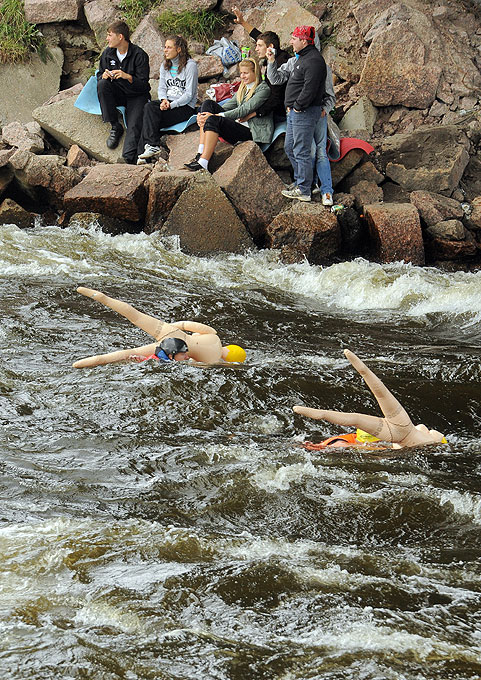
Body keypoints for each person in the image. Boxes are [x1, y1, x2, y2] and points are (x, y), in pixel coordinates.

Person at [293, 349, 446, 449]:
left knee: (371, 403)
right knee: (377, 395)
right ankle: (361, 370)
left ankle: (322, 413)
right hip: (404, 431)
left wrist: (323, 447)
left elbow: (354, 443)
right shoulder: (426, 435)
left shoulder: (379, 444)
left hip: (400, 431)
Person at [72, 287, 247, 367]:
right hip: (177, 347)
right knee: (125, 355)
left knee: (135, 315)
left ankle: (101, 296)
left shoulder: (214, 335)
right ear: (229, 360)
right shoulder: (214, 361)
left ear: (230, 347)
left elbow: (187, 324)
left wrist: (170, 327)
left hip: (173, 332)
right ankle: (84, 363)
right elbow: (191, 361)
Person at [266, 26, 327, 202]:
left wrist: (298, 106)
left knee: (301, 150)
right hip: (295, 113)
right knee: (290, 147)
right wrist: (271, 61)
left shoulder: (314, 60)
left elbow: (310, 88)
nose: (291, 41)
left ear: (304, 40)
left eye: (294, 38)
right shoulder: (301, 59)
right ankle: (304, 183)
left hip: (304, 112)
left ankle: (305, 190)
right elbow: (276, 79)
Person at [184, 57, 273, 172]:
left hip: (251, 132)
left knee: (213, 119)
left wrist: (216, 116)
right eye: (241, 73)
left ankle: (204, 163)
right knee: (207, 104)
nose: (242, 76)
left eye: (246, 73)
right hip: (238, 124)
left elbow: (244, 110)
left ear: (254, 72)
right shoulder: (243, 87)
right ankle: (200, 153)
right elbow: (229, 105)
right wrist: (210, 114)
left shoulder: (263, 89)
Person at [137, 35, 198, 165]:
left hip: (185, 107)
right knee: (149, 112)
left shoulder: (190, 66)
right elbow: (162, 87)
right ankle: (145, 154)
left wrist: (171, 105)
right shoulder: (165, 65)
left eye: (169, 47)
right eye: (165, 47)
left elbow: (189, 94)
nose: (165, 50)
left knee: (149, 114)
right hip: (168, 103)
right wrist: (163, 100)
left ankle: (148, 149)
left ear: (179, 49)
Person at [97, 20, 150, 164]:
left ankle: (128, 158)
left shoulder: (139, 55)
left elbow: (145, 86)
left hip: (136, 96)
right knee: (102, 84)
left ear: (120, 37)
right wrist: (104, 75)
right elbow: (99, 74)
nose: (107, 38)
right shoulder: (108, 53)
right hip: (118, 92)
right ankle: (115, 126)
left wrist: (129, 77)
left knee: (133, 125)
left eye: (109, 35)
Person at [231, 7, 289, 120]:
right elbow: (259, 36)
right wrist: (242, 22)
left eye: (259, 46)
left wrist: (252, 114)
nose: (256, 49)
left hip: (279, 112)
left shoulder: (280, 63)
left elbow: (275, 99)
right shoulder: (277, 53)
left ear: (270, 47)